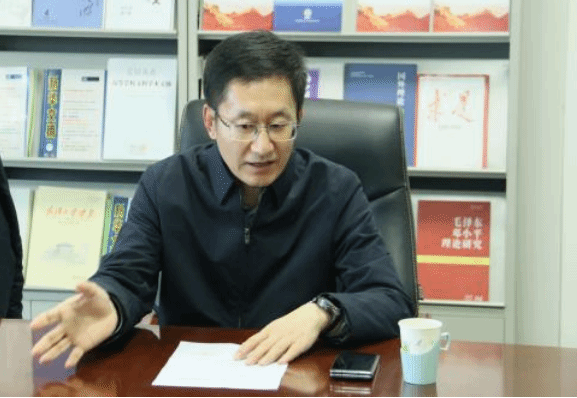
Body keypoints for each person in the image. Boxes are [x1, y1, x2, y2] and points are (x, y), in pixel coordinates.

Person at [31, 31, 413, 368]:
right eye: (244, 126)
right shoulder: (167, 185)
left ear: (299, 116)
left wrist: (322, 312)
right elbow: (128, 275)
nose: (262, 147)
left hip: (296, 374)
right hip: (190, 376)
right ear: (211, 122)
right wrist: (111, 303)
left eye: (278, 125)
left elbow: (391, 300)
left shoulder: (335, 189)